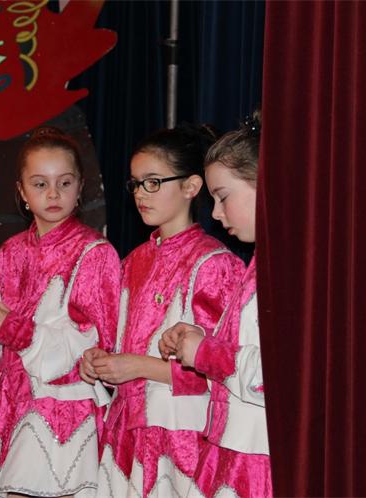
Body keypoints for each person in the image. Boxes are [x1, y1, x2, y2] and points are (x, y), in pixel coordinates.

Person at [0, 127, 121, 498]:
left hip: (60, 402)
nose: (53, 194)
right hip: (8, 399)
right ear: (22, 192)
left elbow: (92, 341)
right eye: (40, 184)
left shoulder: (95, 253)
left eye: (64, 183)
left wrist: (11, 328)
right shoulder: (8, 253)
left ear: (79, 187)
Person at [82, 126, 245, 498]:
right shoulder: (132, 261)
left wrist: (139, 366)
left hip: (182, 434)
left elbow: (222, 370)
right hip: (128, 430)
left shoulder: (214, 264)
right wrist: (100, 359)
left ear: (191, 186)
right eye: (136, 183)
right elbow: (116, 341)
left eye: (153, 182)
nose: (141, 193)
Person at [159, 112, 272, 497]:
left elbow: (279, 375)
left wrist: (206, 353)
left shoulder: (289, 273)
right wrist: (200, 339)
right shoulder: (259, 266)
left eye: (223, 197)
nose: (217, 213)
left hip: (258, 456)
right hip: (235, 447)